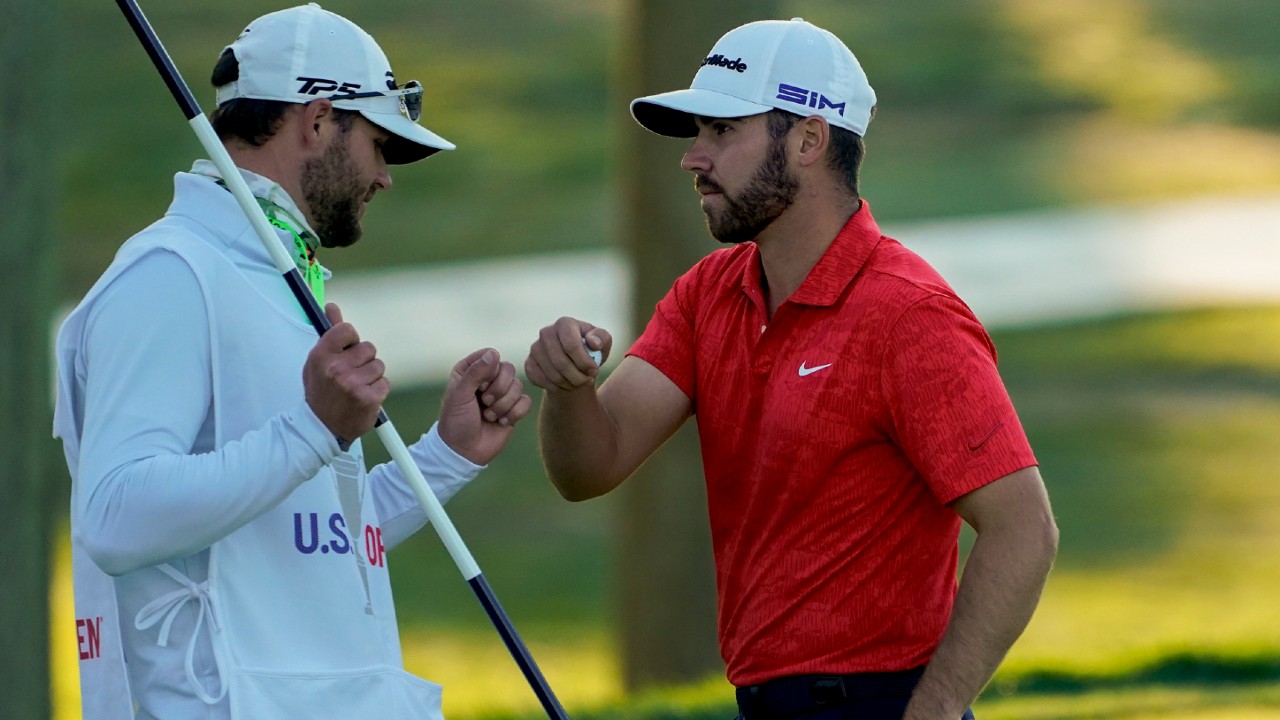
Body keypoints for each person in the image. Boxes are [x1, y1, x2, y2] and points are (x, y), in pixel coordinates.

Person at [525, 18, 1058, 720]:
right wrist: (569, 391)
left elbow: (1025, 530)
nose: (693, 158)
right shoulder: (707, 294)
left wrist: (934, 711)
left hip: (881, 701)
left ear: (808, 140)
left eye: (721, 131)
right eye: (697, 133)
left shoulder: (908, 315)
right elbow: (589, 468)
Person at [52, 5, 530, 719]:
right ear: (317, 120)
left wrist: (446, 457)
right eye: (380, 143)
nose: (386, 176)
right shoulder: (170, 274)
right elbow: (115, 517)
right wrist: (312, 430)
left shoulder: (275, 276)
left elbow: (312, 530)